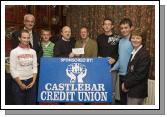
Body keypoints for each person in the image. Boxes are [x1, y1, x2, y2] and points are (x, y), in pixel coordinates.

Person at [122, 28, 150, 105]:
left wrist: (126, 85)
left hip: (137, 92)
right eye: (133, 37)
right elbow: (130, 71)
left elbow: (139, 76)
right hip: (132, 90)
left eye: (138, 38)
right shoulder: (134, 52)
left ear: (142, 40)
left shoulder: (144, 55)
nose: (135, 40)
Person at [10, 29, 37, 105]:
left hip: (31, 82)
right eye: (24, 37)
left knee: (30, 104)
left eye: (28, 38)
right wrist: (20, 84)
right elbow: (12, 70)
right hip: (18, 82)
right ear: (19, 38)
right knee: (19, 105)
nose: (26, 39)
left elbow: (35, 67)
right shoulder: (14, 52)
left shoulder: (33, 51)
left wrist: (33, 81)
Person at [96, 18, 119, 104]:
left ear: (112, 26)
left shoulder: (116, 37)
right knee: (101, 89)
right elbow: (97, 51)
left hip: (113, 68)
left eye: (109, 24)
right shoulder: (99, 37)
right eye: (105, 24)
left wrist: (115, 59)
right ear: (102, 26)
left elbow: (119, 52)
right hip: (102, 68)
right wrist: (98, 57)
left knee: (111, 91)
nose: (107, 26)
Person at [112, 18, 133, 105]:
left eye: (126, 27)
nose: (123, 30)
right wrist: (113, 68)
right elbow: (121, 58)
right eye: (122, 28)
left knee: (131, 102)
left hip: (130, 75)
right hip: (121, 75)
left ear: (131, 28)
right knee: (123, 100)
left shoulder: (134, 40)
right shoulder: (120, 41)